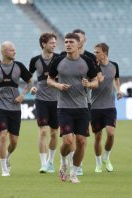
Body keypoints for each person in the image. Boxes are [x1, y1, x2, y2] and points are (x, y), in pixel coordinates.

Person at [47, 33, 98, 183]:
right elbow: (49, 79)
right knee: (69, 142)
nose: (68, 44)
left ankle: (74, 173)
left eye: (71, 42)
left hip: (82, 107)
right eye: (66, 42)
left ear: (78, 44)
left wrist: (89, 84)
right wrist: (57, 85)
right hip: (64, 107)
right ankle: (63, 162)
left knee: (81, 141)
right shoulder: (58, 61)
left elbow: (95, 82)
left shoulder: (87, 61)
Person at [0, 41, 33, 177]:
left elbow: (30, 82)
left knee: (14, 141)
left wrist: (23, 95)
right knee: (2, 136)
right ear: (4, 52)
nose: (14, 52)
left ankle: (8, 156)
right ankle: (4, 168)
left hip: (15, 107)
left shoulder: (19, 66)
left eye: (14, 50)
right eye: (12, 50)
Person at [28, 33, 59, 173]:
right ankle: (43, 164)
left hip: (58, 101)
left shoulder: (59, 59)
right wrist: (32, 87)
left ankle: (51, 161)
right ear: (43, 44)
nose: (54, 45)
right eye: (51, 43)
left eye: (55, 43)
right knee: (43, 131)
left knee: (54, 133)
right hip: (41, 100)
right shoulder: (35, 60)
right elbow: (29, 79)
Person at [92, 43, 122, 173]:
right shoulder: (93, 67)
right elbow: (89, 83)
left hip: (110, 106)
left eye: (97, 52)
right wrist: (97, 81)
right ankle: (98, 163)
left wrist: (118, 90)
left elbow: (116, 79)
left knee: (111, 133)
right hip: (95, 107)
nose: (95, 54)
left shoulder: (114, 65)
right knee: (97, 137)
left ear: (104, 52)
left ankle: (106, 157)